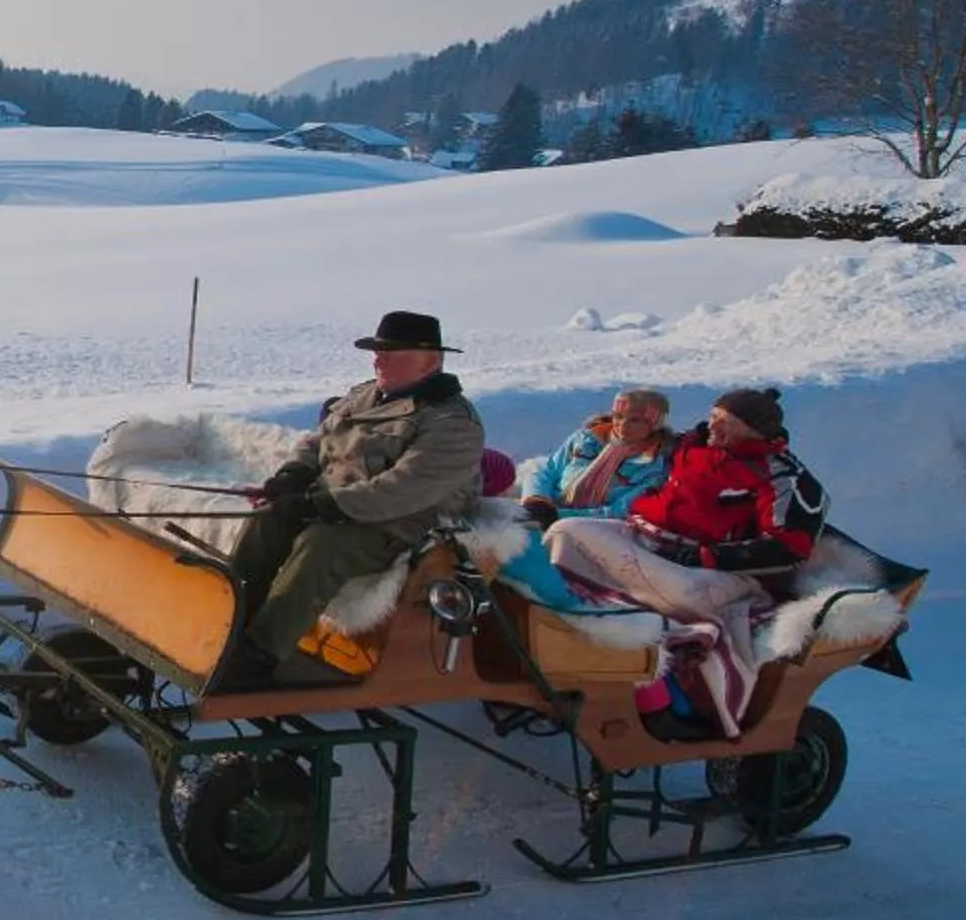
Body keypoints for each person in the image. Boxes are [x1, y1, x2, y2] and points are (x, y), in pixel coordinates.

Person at [224, 310, 487, 686]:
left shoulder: (453, 422)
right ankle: (227, 621)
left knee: (323, 545)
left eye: (391, 352)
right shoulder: (365, 394)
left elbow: (402, 489)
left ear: (429, 360)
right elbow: (318, 441)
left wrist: (324, 505)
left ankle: (256, 657)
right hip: (340, 504)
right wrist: (292, 477)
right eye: (378, 350)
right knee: (268, 519)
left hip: (404, 524)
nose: (378, 358)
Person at [542, 388, 827, 734]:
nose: (714, 428)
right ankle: (570, 628)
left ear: (755, 431)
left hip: (711, 571)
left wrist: (705, 555)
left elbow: (789, 547)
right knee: (566, 531)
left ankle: (646, 663)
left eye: (726, 423)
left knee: (675, 589)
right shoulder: (693, 445)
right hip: (650, 541)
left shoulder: (780, 475)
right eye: (713, 418)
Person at [516, 389, 675, 523]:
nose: (622, 425)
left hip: (598, 527)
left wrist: (558, 516)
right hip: (546, 508)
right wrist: (536, 500)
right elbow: (547, 470)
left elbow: (620, 511)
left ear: (654, 424)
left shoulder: (655, 467)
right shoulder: (588, 439)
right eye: (618, 416)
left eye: (635, 420)